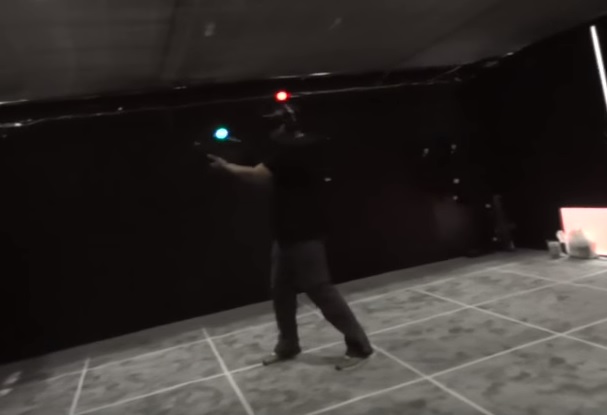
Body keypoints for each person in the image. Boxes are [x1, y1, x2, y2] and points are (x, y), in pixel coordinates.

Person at [207, 104, 373, 370]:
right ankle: (288, 344)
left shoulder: (291, 150)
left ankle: (359, 345)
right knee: (281, 291)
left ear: (286, 126)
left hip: (303, 232)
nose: (272, 132)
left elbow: (257, 175)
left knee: (320, 289)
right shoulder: (306, 145)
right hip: (286, 233)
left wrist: (225, 166)